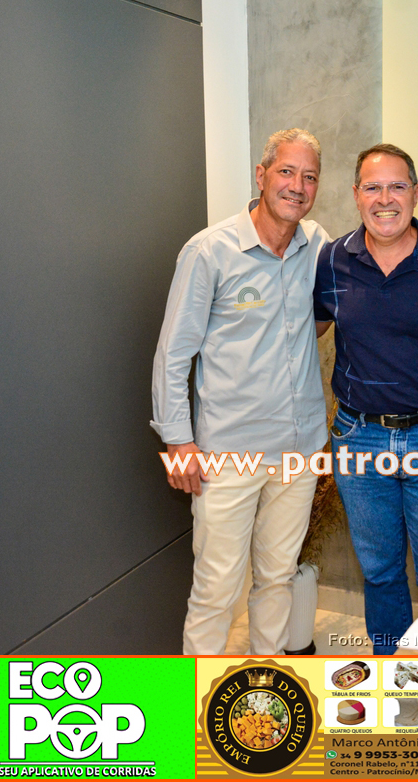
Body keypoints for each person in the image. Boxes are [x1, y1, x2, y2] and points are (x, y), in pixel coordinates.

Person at [151, 128, 329, 655]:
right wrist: (178, 440)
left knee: (277, 579)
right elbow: (173, 354)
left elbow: (334, 302)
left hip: (299, 451)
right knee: (216, 591)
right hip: (229, 453)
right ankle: (197, 695)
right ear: (261, 175)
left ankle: (265, 685)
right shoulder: (210, 251)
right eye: (286, 172)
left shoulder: (317, 244)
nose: (297, 186)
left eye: (309, 176)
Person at [313, 143, 418, 654]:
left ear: (416, 194)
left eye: (397, 186)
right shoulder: (332, 260)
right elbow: (305, 330)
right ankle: (394, 683)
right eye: (373, 187)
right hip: (358, 438)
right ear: (356, 194)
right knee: (380, 573)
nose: (385, 199)